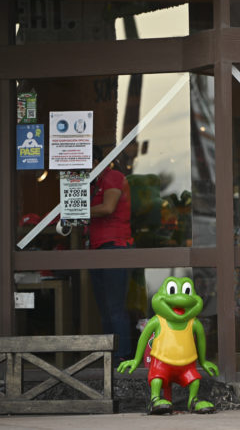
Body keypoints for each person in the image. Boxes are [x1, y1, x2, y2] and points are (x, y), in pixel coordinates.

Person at [88, 145, 135, 361]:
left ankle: (122, 359)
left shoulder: (113, 176)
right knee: (105, 309)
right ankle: (109, 358)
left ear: (97, 162)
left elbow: (108, 207)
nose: (84, 169)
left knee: (115, 307)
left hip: (115, 246)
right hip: (97, 248)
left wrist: (77, 209)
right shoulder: (93, 184)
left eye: (87, 163)